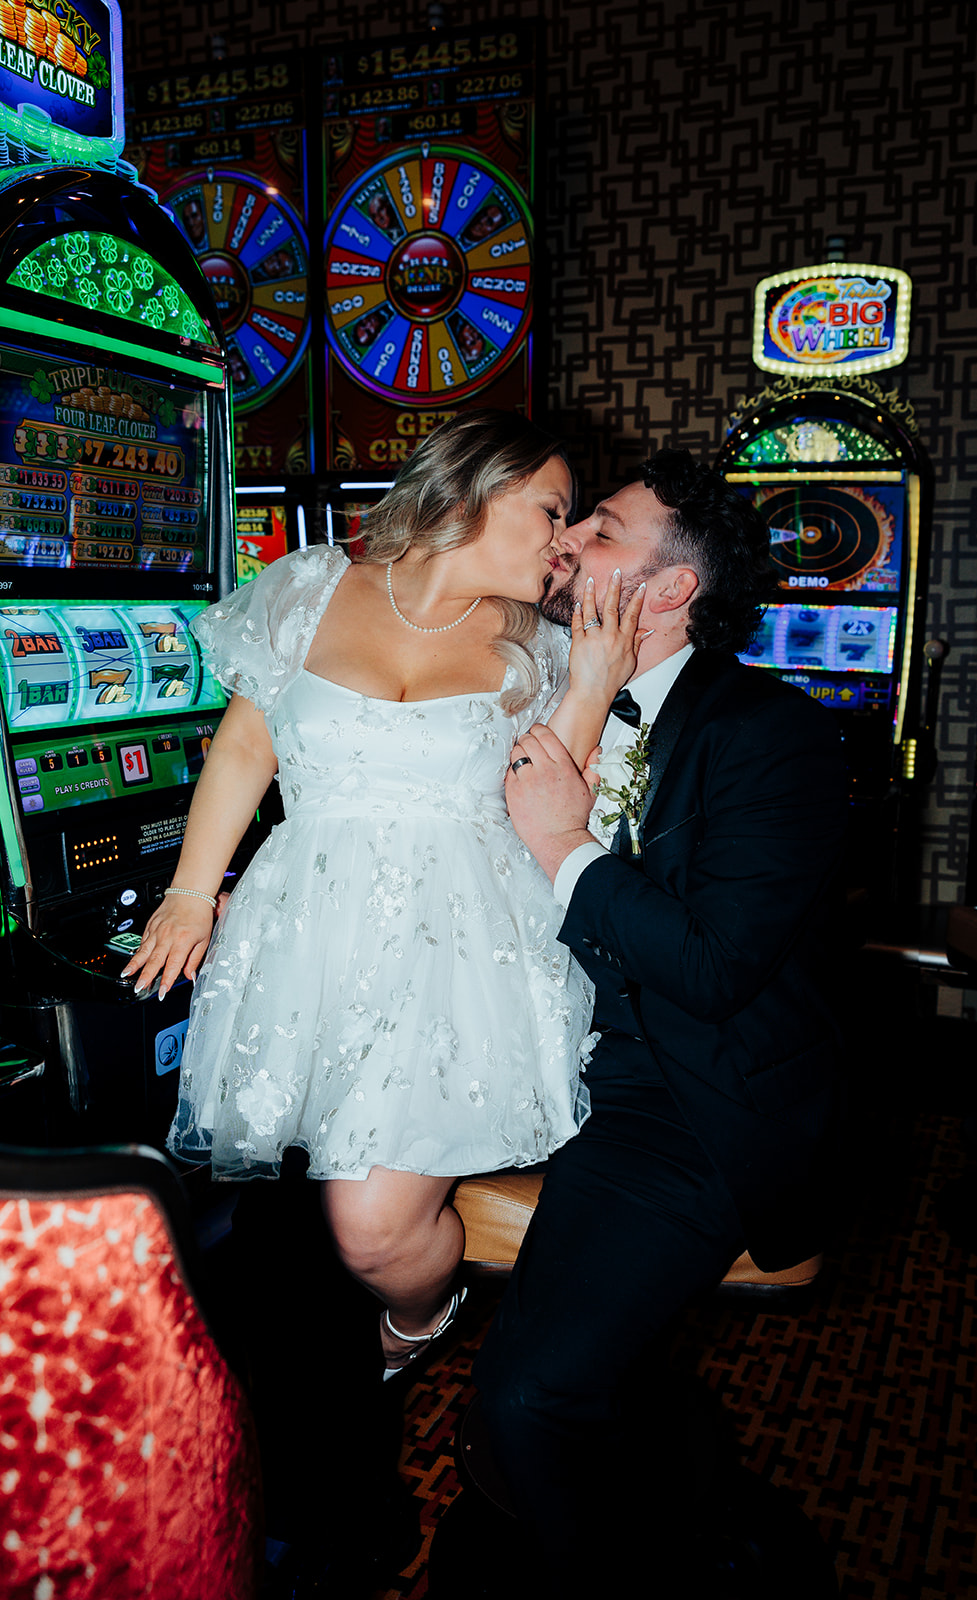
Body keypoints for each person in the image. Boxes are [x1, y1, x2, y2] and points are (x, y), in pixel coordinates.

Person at [122, 409, 645, 1377]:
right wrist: (192, 892)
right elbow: (245, 745)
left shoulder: (540, 644)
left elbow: (548, 796)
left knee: (371, 1223)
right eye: (553, 508)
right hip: (305, 938)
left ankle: (420, 1312)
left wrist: (592, 682)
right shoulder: (312, 586)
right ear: (476, 489)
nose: (567, 539)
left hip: (453, 957)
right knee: (283, 1216)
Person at [475, 449, 848, 1590]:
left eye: (599, 529)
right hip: (527, 1055)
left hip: (676, 1092)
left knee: (529, 1396)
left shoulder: (769, 732)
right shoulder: (521, 682)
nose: (568, 539)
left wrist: (563, 846)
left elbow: (713, 967)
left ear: (669, 588)